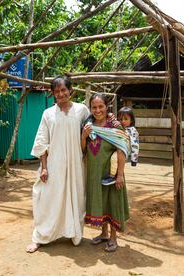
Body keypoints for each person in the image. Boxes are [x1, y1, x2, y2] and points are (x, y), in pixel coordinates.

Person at [26, 75, 90, 253]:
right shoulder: (48, 114)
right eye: (57, 91)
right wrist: (44, 167)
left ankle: (74, 233)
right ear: (53, 94)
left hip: (76, 164)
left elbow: (95, 129)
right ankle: (41, 237)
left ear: (70, 90)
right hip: (54, 164)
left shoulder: (82, 110)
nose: (61, 94)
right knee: (48, 198)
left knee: (75, 197)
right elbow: (41, 142)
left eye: (64, 90)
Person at [81, 93, 130, 252]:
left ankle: (113, 238)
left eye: (100, 106)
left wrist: (120, 174)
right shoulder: (88, 125)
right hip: (94, 172)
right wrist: (84, 136)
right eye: (94, 107)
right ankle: (103, 234)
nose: (97, 110)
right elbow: (82, 150)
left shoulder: (114, 126)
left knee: (112, 202)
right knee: (101, 202)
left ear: (107, 106)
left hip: (111, 173)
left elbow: (121, 150)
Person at [102, 106, 139, 185]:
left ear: (131, 120)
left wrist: (134, 160)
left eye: (126, 119)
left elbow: (135, 145)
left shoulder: (132, 131)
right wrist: (110, 114)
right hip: (117, 148)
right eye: (120, 119)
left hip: (124, 151)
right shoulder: (119, 127)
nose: (123, 121)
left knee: (114, 159)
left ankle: (112, 177)